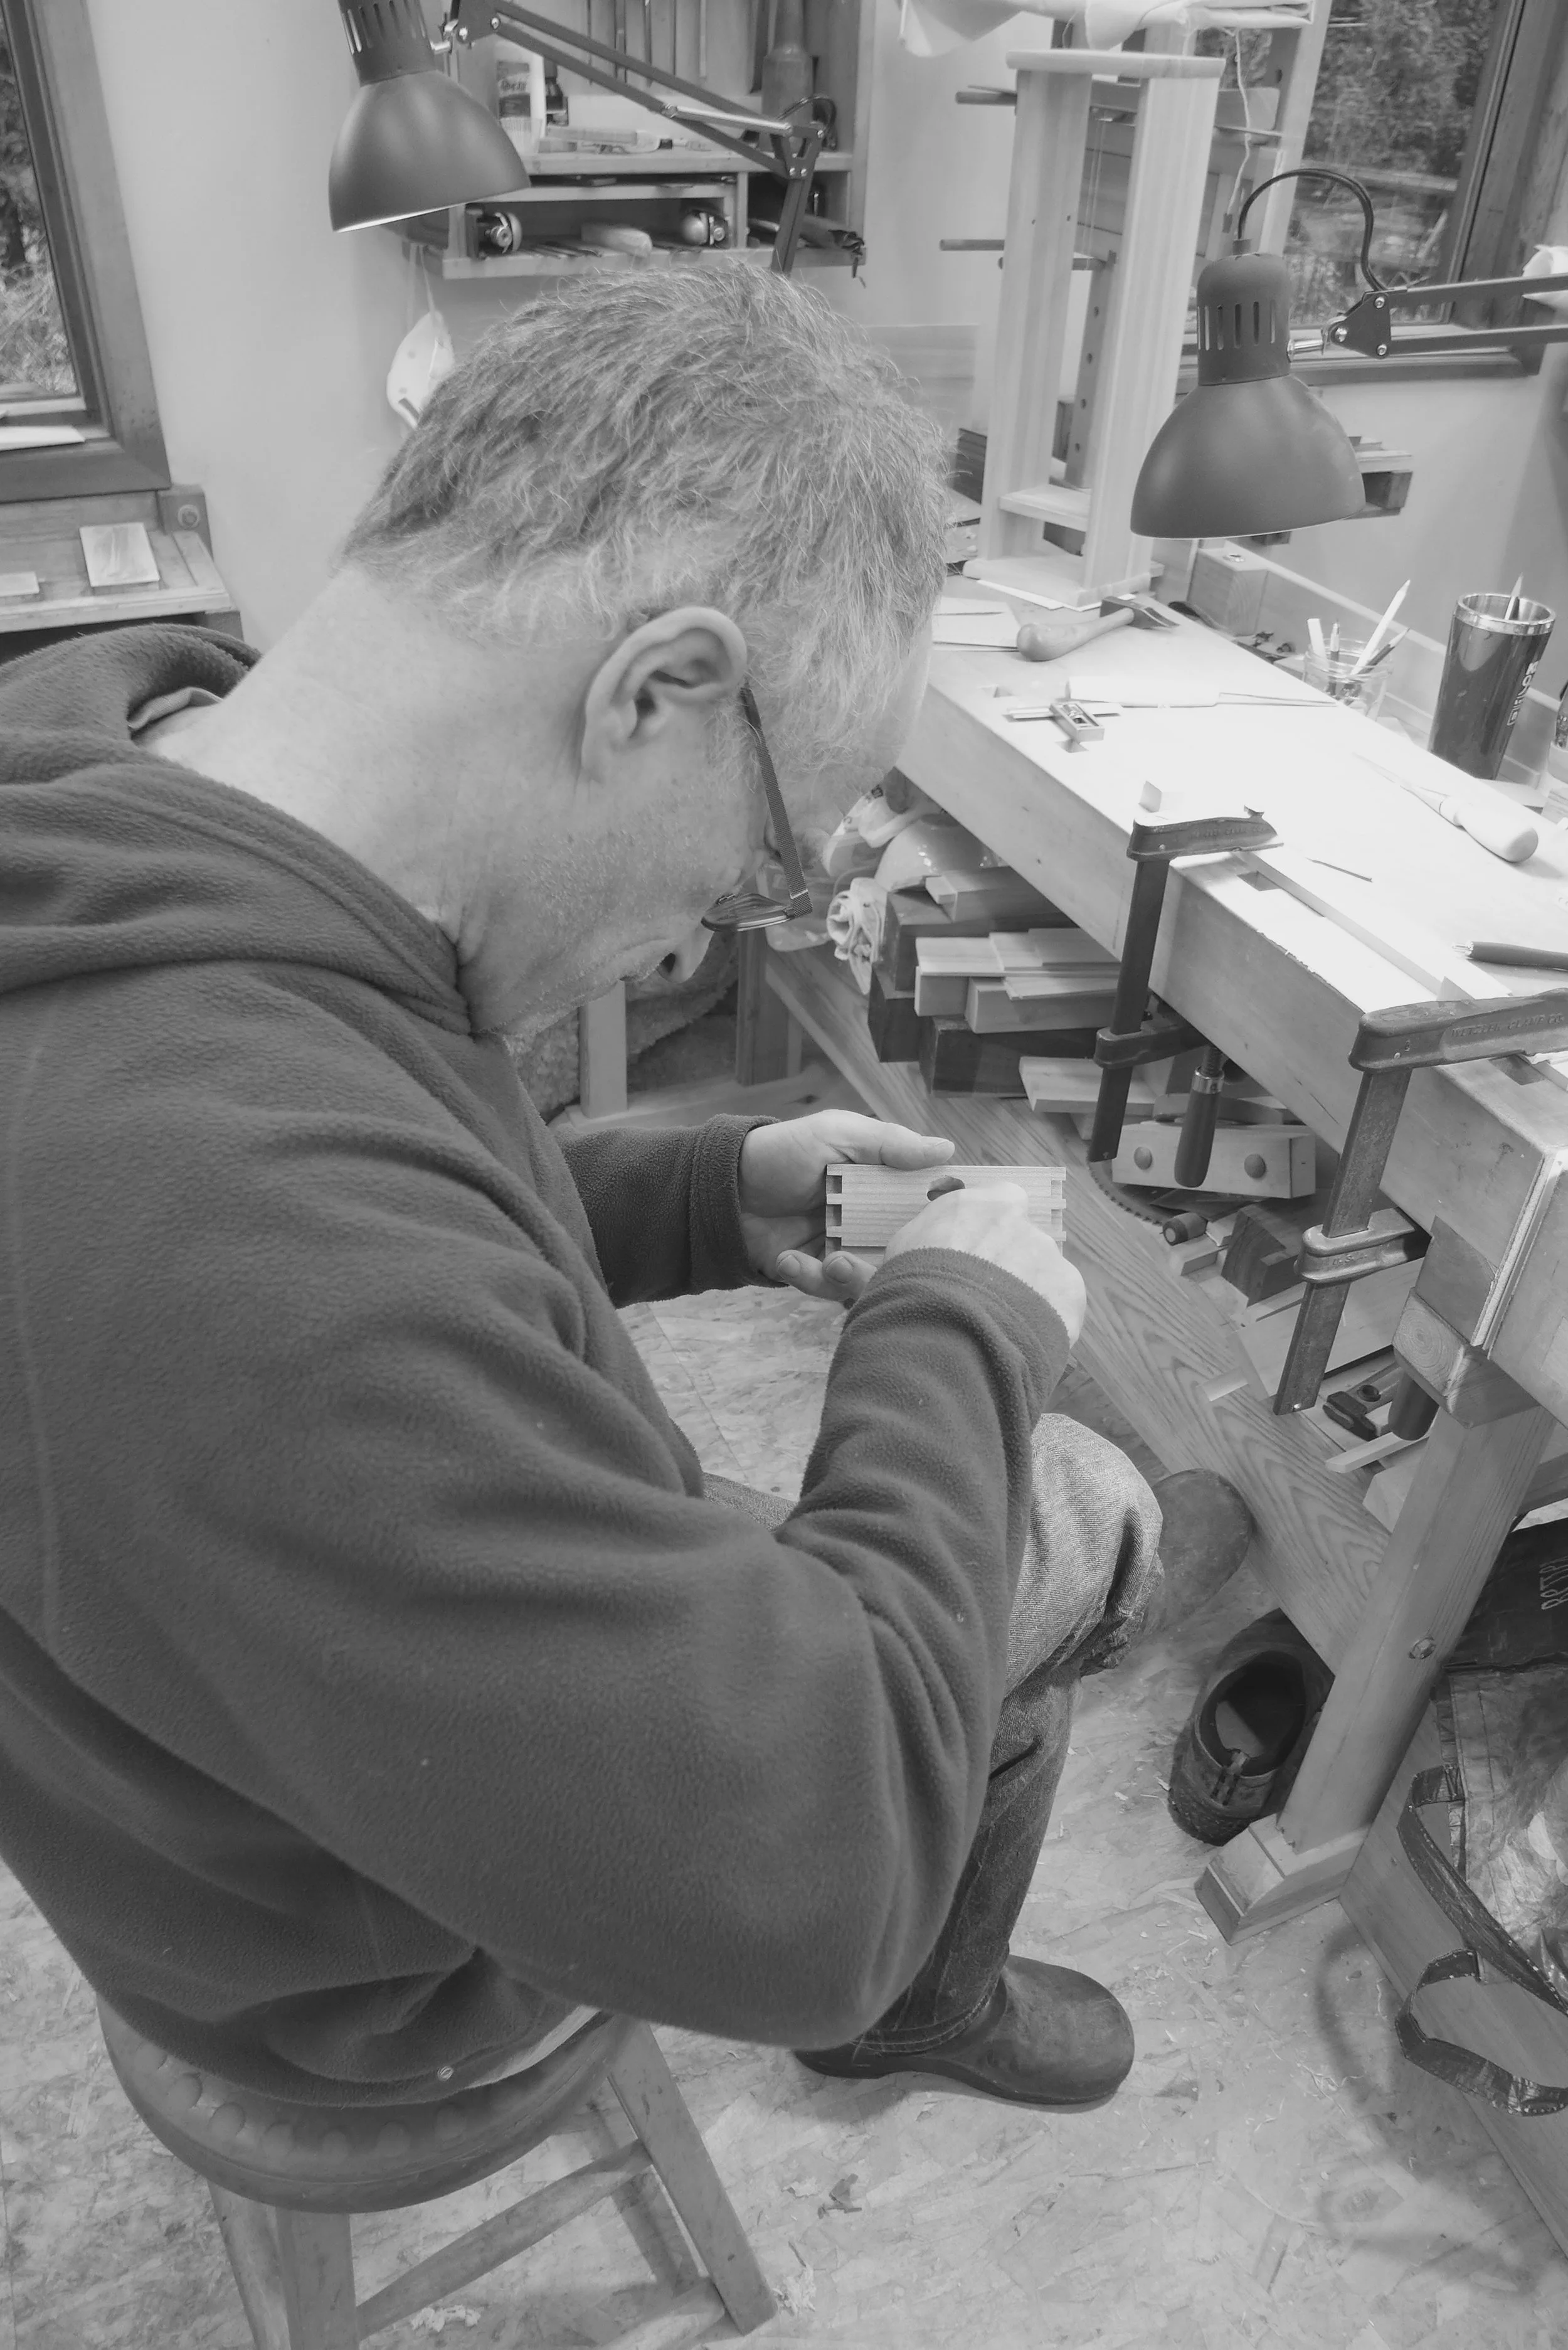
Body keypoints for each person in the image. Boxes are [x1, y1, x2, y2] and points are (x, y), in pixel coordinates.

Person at [0, 266, 1239, 2117]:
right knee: (1089, 1514)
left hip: (253, 1742)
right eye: (756, 866)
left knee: (978, 1540)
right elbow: (800, 1896)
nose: (705, 930)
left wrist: (697, 1195)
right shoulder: (238, 1261)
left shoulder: (145, 799)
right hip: (360, 1951)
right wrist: (957, 1335)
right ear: (660, 689)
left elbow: (383, 1207)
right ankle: (921, 1991)